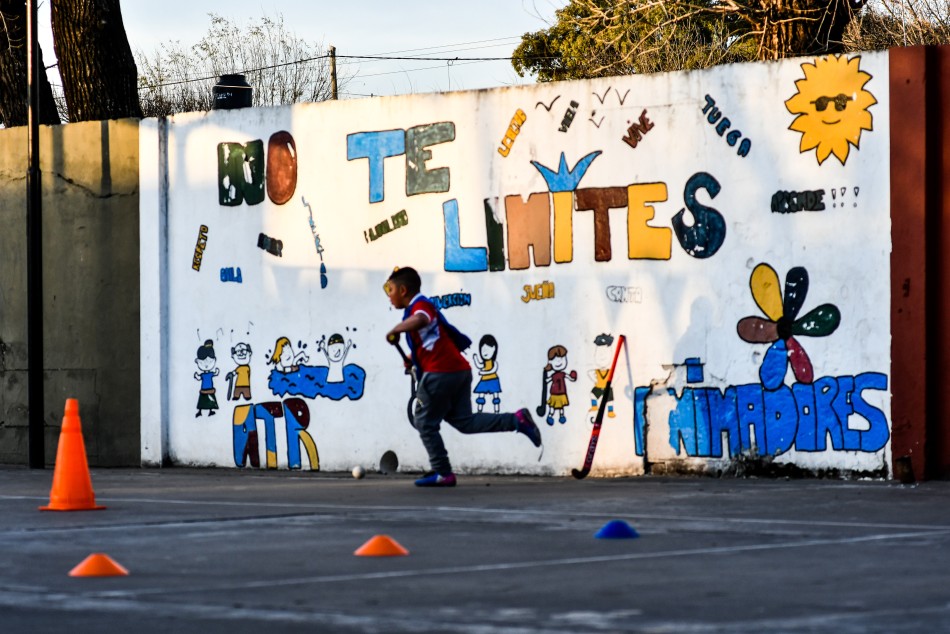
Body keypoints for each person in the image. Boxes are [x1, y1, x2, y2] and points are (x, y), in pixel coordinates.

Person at [384, 266, 542, 487]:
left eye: (389, 289)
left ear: (403, 290)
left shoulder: (419, 306)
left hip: (441, 373)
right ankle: (517, 420)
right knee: (464, 422)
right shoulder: (417, 308)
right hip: (458, 371)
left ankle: (442, 471)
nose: (388, 296)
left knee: (423, 421)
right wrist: (413, 357)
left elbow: (421, 319)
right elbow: (433, 338)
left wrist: (396, 329)